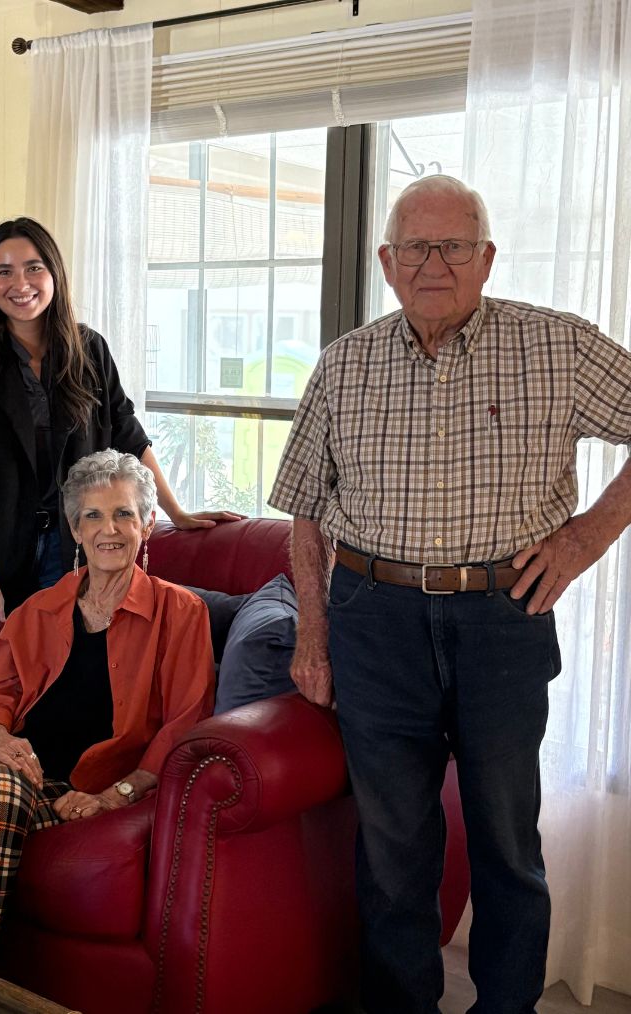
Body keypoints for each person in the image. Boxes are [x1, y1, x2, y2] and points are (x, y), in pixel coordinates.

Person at [268, 174, 631, 1012]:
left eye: (454, 246)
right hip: (374, 619)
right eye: (416, 249)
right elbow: (307, 518)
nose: (435, 264)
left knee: (507, 843)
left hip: (503, 619)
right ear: (388, 263)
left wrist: (584, 539)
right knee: (393, 849)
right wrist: (312, 637)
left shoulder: (557, 346)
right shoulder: (344, 363)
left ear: (486, 257)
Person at [0, 449, 215, 967]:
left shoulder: (180, 613)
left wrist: (117, 793)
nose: (108, 529)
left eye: (123, 514)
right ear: (75, 528)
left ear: (148, 525)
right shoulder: (39, 609)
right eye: (93, 515)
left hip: (82, 787)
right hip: (10, 769)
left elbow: (186, 721)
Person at [0, 216, 239, 629]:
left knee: (57, 679)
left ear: (55, 273)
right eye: (4, 271)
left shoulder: (89, 349)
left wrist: (175, 512)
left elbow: (127, 433)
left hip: (70, 547)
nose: (20, 283)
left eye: (34, 267)